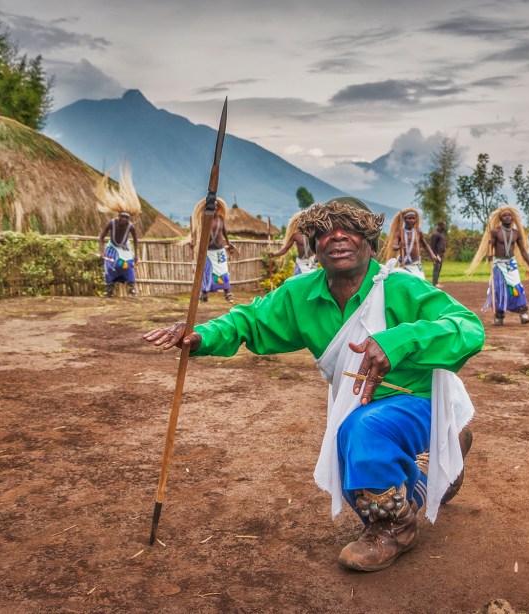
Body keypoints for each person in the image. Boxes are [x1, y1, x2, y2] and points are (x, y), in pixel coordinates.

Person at [144, 197, 483, 572]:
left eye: (349, 228)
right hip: (359, 405)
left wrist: (397, 341)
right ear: (313, 244)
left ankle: (393, 528)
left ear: (368, 237)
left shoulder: (402, 287)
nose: (337, 237)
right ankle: (437, 469)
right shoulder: (300, 294)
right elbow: (249, 321)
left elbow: (469, 327)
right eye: (323, 231)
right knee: (355, 446)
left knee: (360, 431)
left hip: (421, 401)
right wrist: (201, 336)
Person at [467, 206, 529, 326]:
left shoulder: (516, 233)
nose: (507, 217)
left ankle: (523, 313)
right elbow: (490, 246)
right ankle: (499, 315)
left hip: (511, 264)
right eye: (504, 215)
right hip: (499, 265)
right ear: (500, 218)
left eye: (509, 215)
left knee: (517, 287)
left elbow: (523, 251)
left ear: (513, 218)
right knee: (498, 289)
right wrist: (489, 254)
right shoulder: (495, 231)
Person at [96, 163, 140, 297]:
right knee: (110, 266)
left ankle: (131, 288)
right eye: (122, 217)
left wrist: (136, 254)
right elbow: (101, 237)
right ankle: (109, 290)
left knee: (127, 265)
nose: (124, 220)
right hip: (112, 247)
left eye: (127, 218)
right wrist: (103, 252)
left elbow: (136, 240)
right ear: (118, 216)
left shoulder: (130, 227)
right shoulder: (112, 223)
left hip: (124, 248)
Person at [189, 197, 237, 302]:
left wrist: (229, 244)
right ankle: (204, 293)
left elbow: (224, 232)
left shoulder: (220, 219)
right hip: (208, 251)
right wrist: (193, 240)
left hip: (219, 251)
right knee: (207, 272)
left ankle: (227, 292)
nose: (214, 208)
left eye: (216, 205)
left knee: (223, 270)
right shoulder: (203, 219)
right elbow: (196, 230)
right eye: (212, 206)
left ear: (218, 207)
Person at [381, 208, 440, 279]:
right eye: (409, 218)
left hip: (415, 263)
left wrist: (432, 256)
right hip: (403, 264)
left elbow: (425, 245)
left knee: (420, 282)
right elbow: (394, 246)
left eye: (413, 218)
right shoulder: (399, 232)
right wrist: (399, 246)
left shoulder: (418, 232)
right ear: (404, 219)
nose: (412, 220)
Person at [267, 211, 316, 275]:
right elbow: (285, 249)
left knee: (313, 282)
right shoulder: (295, 236)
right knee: (298, 283)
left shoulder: (313, 234)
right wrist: (274, 254)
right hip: (301, 264)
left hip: (312, 262)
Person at [429, 221, 447, 288]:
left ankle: (436, 282)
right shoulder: (435, 234)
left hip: (440, 254)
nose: (444, 227)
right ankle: (435, 283)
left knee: (439, 268)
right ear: (440, 225)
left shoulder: (441, 234)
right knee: (436, 268)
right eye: (444, 225)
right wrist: (434, 255)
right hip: (436, 255)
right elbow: (432, 245)